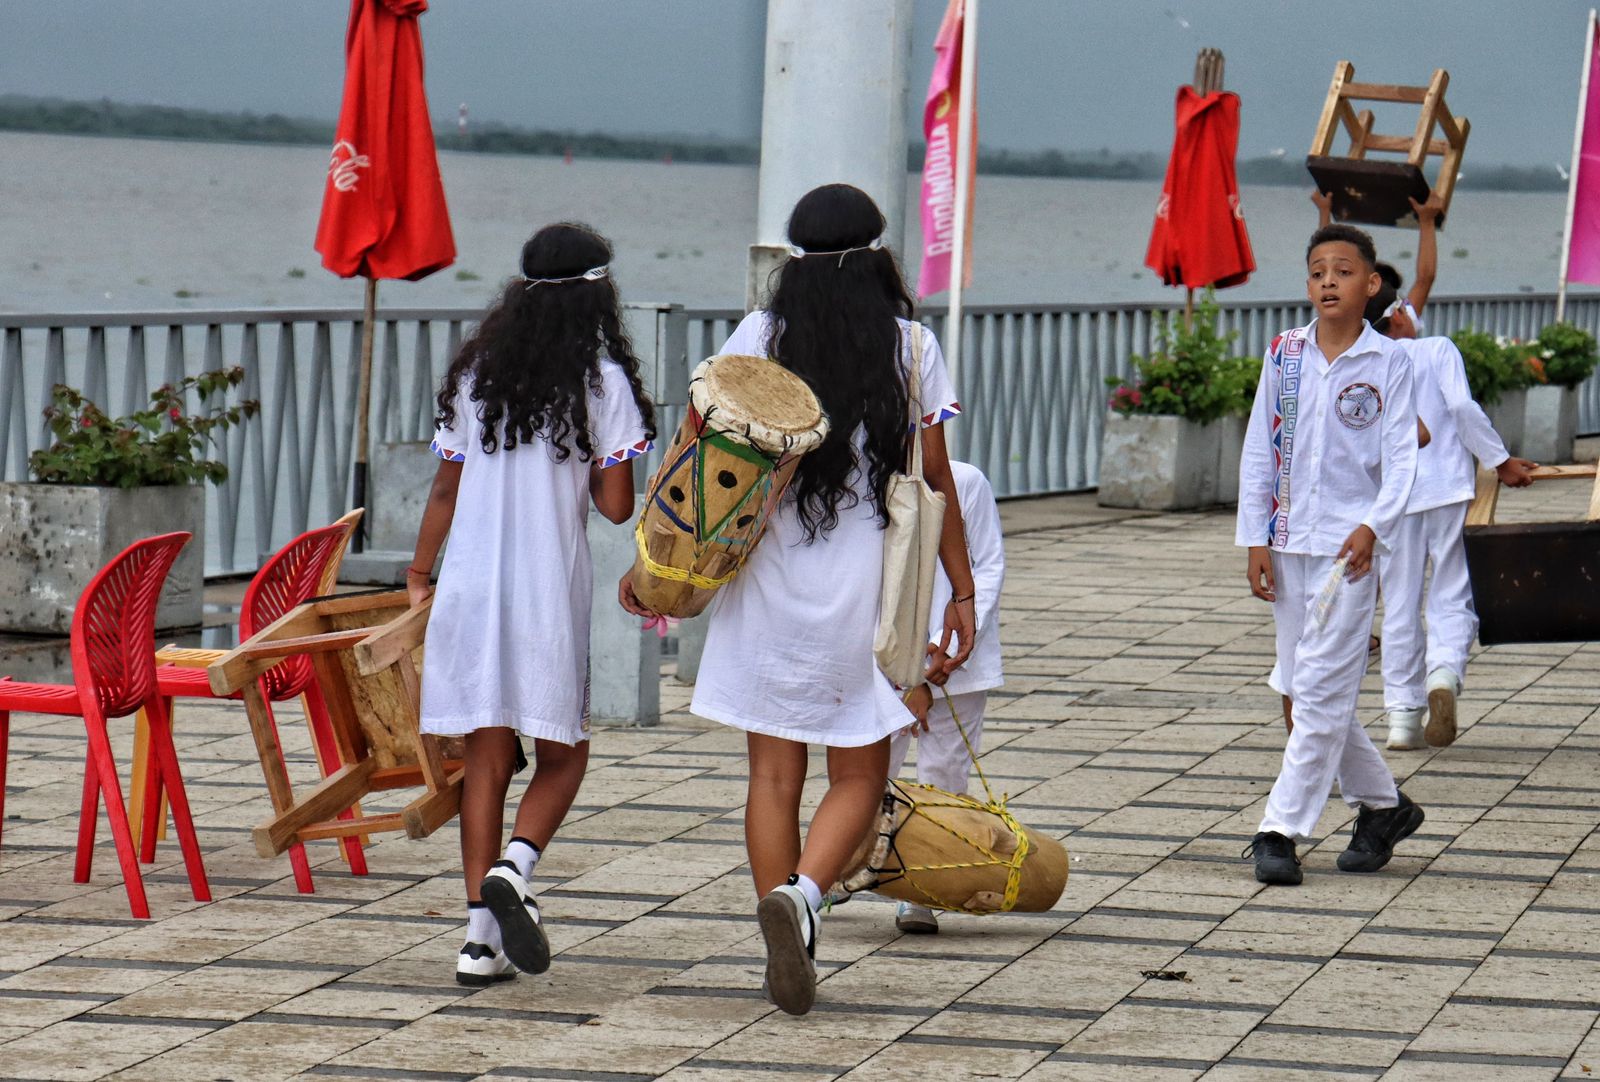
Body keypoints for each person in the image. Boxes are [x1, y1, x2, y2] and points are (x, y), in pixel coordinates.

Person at [623, 183, 976, 1015]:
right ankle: (808, 900)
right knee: (860, 768)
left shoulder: (761, 333)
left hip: (769, 572)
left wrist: (656, 561)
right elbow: (935, 481)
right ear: (878, 252)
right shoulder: (912, 347)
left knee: (772, 773)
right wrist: (962, 589)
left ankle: (781, 915)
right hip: (868, 581)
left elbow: (695, 455)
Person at [408, 223, 655, 986]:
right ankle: (516, 866)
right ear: (599, 294)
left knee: (485, 760)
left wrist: (420, 574)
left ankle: (479, 942)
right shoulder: (602, 381)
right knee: (563, 750)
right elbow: (617, 508)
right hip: (546, 590)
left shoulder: (479, 370)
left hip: (470, 585)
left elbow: (446, 487)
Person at [1237, 223, 1424, 886]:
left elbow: (1404, 460)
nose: (1328, 282)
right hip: (1289, 543)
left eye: (1343, 271)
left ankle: (1278, 830)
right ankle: (1383, 806)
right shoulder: (1284, 353)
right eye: (1317, 270)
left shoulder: (1391, 363)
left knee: (1315, 691)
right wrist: (1255, 536)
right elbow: (1262, 446)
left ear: (1370, 284)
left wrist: (1375, 525)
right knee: (1298, 688)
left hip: (1353, 552)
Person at [1363, 286, 1538, 749]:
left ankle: (1401, 718)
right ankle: (1442, 673)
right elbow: (1461, 408)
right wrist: (1499, 461)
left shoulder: (1366, 359)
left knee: (1399, 604)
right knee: (1451, 590)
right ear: (1399, 314)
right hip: (1445, 489)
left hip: (1391, 499)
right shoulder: (1436, 349)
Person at [884, 460, 1005, 935]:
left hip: (958, 662)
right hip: (884, 661)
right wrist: (909, 673)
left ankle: (922, 887)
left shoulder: (967, 481)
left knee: (944, 775)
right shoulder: (867, 482)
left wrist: (941, 653)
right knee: (869, 773)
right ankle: (848, 865)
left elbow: (986, 566)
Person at [1313, 187, 1441, 332]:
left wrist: (1324, 211)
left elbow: (1325, 264)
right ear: (1397, 317)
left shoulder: (1348, 335)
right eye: (1402, 309)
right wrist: (1427, 220)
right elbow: (1425, 277)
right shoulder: (1402, 335)